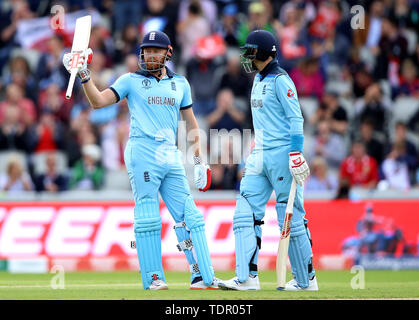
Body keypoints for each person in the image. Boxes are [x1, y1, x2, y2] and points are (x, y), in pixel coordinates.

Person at [62, 30, 221, 291]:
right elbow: (99, 102)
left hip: (169, 153)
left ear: (168, 53)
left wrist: (199, 160)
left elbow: (191, 124)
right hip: (142, 151)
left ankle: (202, 275)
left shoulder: (180, 83)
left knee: (190, 216)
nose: (150, 54)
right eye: (146, 50)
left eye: (156, 50)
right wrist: (84, 75)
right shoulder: (130, 80)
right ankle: (154, 277)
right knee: (148, 217)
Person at [218, 30, 317, 291]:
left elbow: (296, 118)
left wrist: (296, 152)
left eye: (250, 51)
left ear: (263, 53)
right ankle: (247, 278)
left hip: (283, 155)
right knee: (244, 213)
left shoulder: (281, 80)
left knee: (291, 218)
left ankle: (306, 281)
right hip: (260, 155)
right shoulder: (258, 79)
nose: (246, 56)